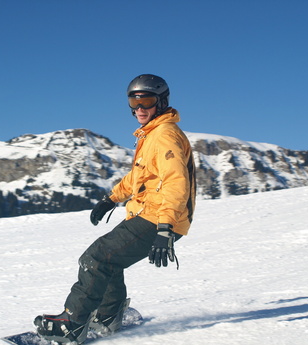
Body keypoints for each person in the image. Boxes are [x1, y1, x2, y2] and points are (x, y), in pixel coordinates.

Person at [34, 74, 196, 344]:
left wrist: (166, 228)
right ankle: (107, 317)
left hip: (159, 218)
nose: (139, 108)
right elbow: (138, 177)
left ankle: (71, 325)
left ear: (162, 101)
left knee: (95, 259)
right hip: (151, 214)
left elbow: (176, 183)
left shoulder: (165, 135)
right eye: (134, 101)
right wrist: (111, 199)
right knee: (108, 259)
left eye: (146, 100)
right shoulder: (152, 134)